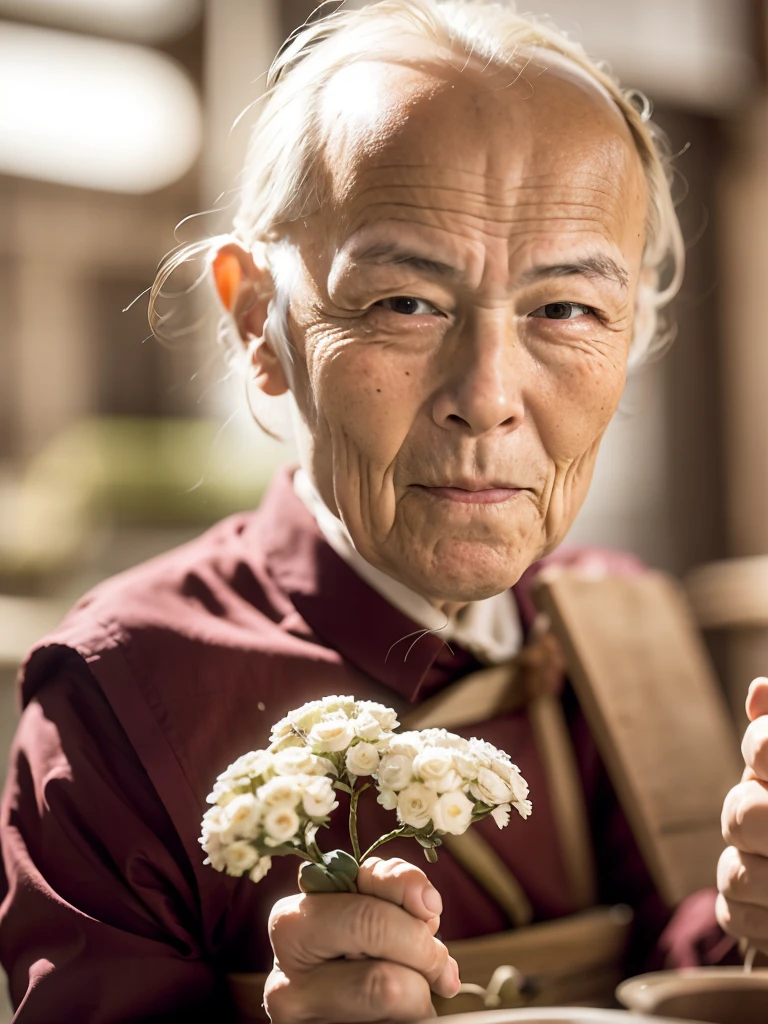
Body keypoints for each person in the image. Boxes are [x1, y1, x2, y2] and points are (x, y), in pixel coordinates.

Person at [0, 1, 761, 1021]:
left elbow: (690, 952)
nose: (486, 394)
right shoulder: (124, 692)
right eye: (406, 302)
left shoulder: (622, 620)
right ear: (257, 320)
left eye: (566, 309)